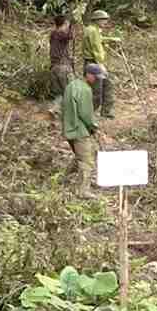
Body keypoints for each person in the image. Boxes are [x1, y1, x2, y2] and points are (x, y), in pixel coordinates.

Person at [62, 64, 103, 197]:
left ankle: (63, 179)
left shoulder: (72, 85)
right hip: (80, 129)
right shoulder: (85, 90)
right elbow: (86, 114)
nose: (97, 80)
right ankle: (83, 190)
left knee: (82, 155)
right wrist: (94, 127)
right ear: (89, 75)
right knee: (87, 161)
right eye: (96, 77)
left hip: (69, 127)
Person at [83, 10, 116, 118]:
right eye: (103, 19)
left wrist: (111, 39)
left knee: (108, 84)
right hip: (94, 64)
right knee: (96, 92)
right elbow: (96, 48)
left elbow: (98, 40)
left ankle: (106, 112)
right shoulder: (93, 31)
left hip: (92, 63)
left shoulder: (92, 29)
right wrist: (101, 64)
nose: (105, 22)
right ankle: (86, 115)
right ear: (97, 20)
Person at [49, 15, 75, 108]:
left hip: (54, 66)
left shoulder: (53, 33)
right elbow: (71, 36)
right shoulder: (60, 33)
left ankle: (55, 110)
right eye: (67, 23)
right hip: (62, 67)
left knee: (59, 94)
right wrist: (72, 27)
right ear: (65, 23)